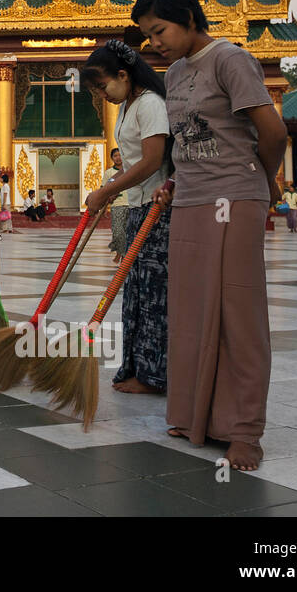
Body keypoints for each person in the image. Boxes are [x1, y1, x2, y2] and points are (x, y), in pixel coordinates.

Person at [135, 0, 286, 472]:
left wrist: (258, 183)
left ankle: (244, 432)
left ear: (188, 18)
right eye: (148, 35)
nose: (153, 44)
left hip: (235, 197)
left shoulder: (230, 59)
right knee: (191, 311)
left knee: (237, 313)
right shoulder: (175, 73)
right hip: (191, 201)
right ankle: (192, 415)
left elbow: (273, 131)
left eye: (159, 31)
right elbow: (185, 141)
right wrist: (176, 181)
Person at [82, 40, 171, 395]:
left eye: (103, 86)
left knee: (153, 295)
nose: (103, 95)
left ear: (123, 74)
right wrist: (111, 187)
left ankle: (154, 375)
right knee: (134, 292)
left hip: (158, 210)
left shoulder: (150, 104)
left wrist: (107, 191)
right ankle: (134, 367)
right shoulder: (126, 107)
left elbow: (152, 161)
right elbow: (133, 165)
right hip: (136, 207)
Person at [103, 148, 129, 263]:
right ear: (112, 158)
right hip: (117, 204)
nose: (118, 158)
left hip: (131, 204)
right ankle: (121, 252)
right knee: (118, 231)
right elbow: (104, 189)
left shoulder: (130, 170)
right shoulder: (109, 173)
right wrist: (104, 207)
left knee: (128, 231)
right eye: (115, 156)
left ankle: (124, 255)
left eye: (120, 155)